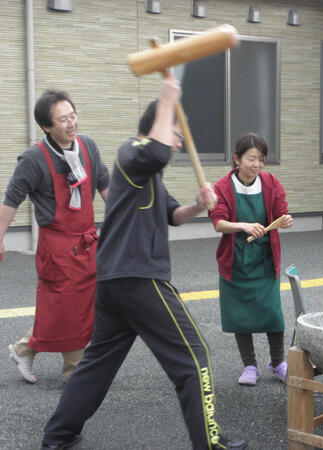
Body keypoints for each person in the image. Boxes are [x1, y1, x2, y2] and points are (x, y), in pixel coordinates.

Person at [41, 76, 247, 450]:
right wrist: (167, 99)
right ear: (157, 127)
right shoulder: (132, 151)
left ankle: (58, 436)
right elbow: (156, 150)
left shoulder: (148, 174)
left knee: (96, 364)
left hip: (115, 283)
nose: (180, 140)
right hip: (139, 278)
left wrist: (199, 205)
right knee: (193, 355)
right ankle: (210, 442)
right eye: (176, 130)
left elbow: (174, 215)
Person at [1, 89, 109, 383]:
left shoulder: (87, 147)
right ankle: (76, 375)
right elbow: (12, 199)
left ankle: (24, 349)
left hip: (87, 242)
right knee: (69, 307)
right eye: (62, 120)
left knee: (77, 306)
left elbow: (105, 186)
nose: (71, 123)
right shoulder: (34, 159)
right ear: (47, 126)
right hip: (57, 246)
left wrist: (124, 225)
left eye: (73, 115)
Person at [209, 132, 293, 387]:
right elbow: (218, 223)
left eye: (261, 159)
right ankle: (249, 366)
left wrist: (285, 220)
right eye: (251, 158)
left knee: (273, 314)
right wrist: (244, 226)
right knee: (240, 315)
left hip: (265, 259)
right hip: (235, 260)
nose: (256, 164)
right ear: (236, 159)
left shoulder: (271, 183)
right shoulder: (222, 188)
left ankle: (277, 363)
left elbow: (281, 212)